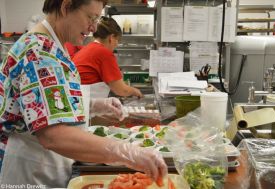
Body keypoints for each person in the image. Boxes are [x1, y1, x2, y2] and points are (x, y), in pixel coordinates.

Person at [0, 0, 167, 187]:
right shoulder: (40, 51)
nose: (94, 26)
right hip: (30, 171)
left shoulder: (53, 45)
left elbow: (42, 103)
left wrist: (92, 105)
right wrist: (126, 151)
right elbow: (53, 135)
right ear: (65, 7)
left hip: (43, 164)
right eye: (91, 17)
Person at [72, 16, 143, 98]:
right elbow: (121, 90)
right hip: (85, 102)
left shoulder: (89, 48)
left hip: (79, 99)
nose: (116, 44)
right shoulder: (104, 53)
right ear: (111, 38)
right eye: (117, 40)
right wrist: (135, 91)